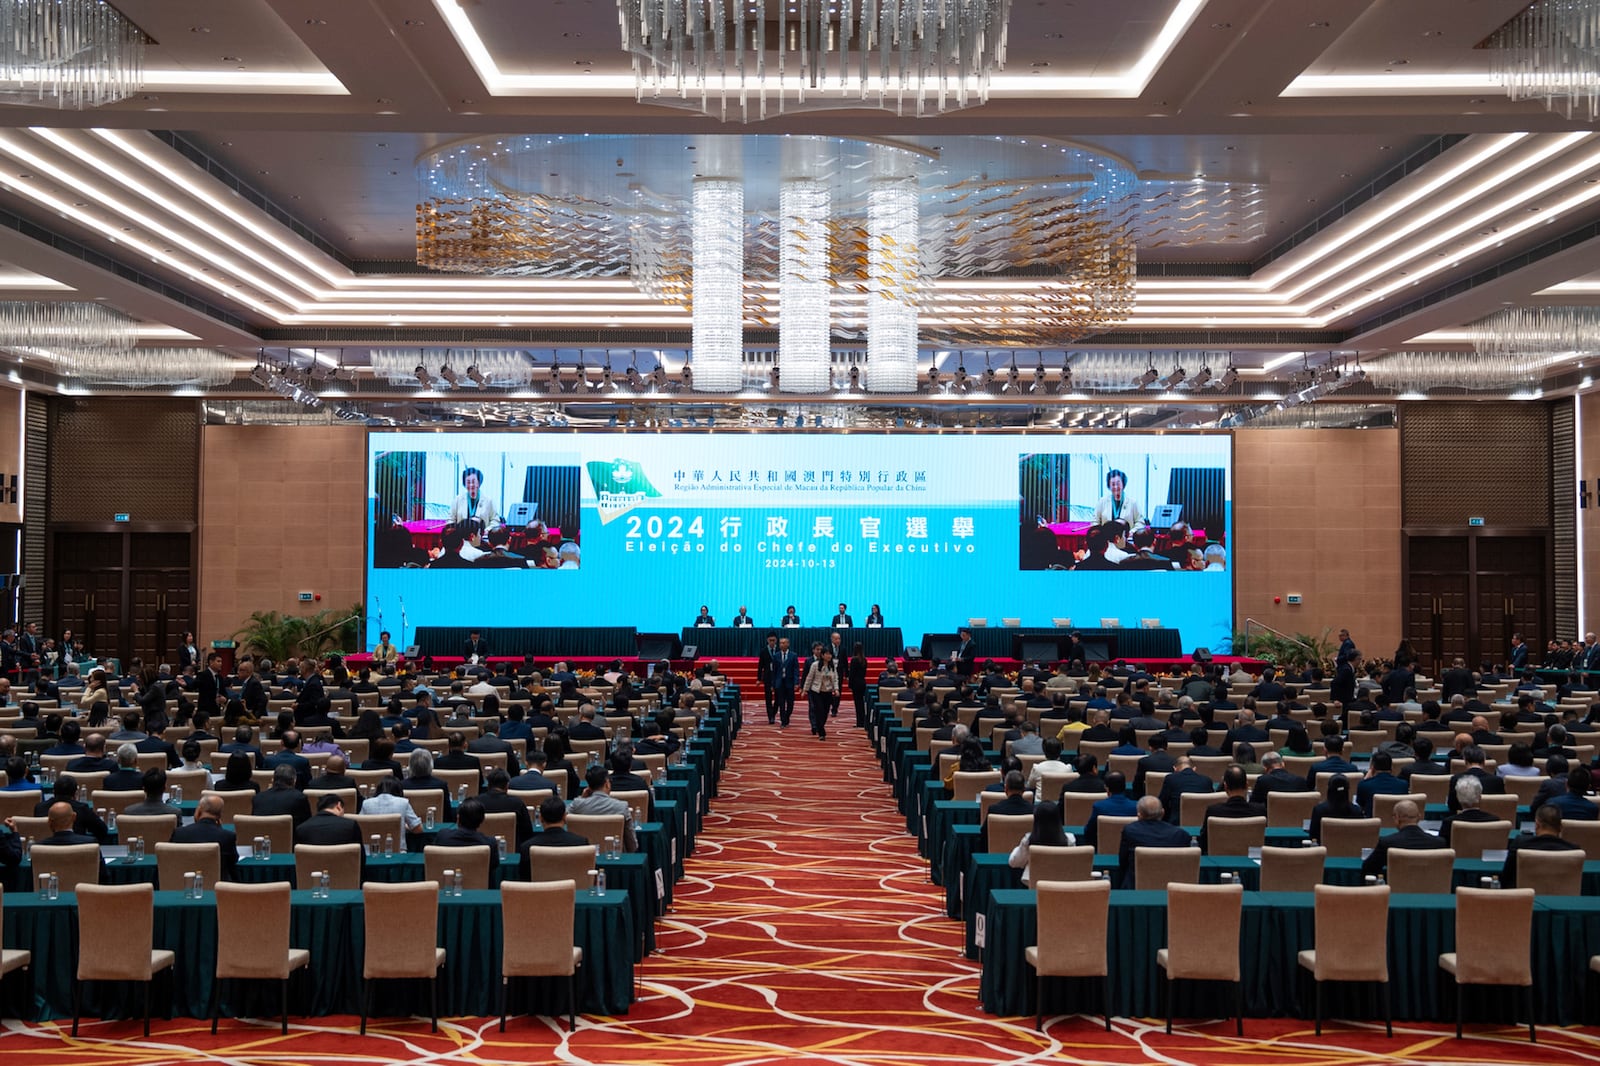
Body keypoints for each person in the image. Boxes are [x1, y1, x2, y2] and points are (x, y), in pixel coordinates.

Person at [1361, 799, 1449, 878]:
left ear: (1396, 818)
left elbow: (1368, 868)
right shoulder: (1439, 843)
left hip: (1395, 892)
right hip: (1430, 892)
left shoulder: (1387, 843)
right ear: (1419, 817)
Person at [1118, 795, 1190, 888]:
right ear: (1163, 812)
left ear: (1139, 815)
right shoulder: (1181, 835)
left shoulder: (1130, 831)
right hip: (1174, 886)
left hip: (1135, 887)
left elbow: (1123, 861)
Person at [1501, 803, 1580, 888]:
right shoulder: (1573, 850)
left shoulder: (1520, 844)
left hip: (1525, 898)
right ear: (1560, 827)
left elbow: (1506, 878)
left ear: (1537, 825)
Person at [568, 765, 638, 852]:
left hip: (582, 854)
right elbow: (632, 843)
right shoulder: (621, 807)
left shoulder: (577, 804)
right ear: (607, 784)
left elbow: (563, 818)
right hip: (614, 857)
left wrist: (582, 798)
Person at [171, 793, 240, 882]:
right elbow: (233, 861)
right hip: (217, 885)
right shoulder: (227, 836)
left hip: (184, 883)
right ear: (219, 816)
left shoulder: (179, 833)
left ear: (199, 810)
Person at [1196, 766, 1265, 853]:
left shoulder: (1214, 811)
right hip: (1252, 861)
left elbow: (1203, 843)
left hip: (1218, 861)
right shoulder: (1260, 810)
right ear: (1247, 785)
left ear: (1225, 786)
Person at [1008, 801, 1071, 886]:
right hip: (1062, 884)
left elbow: (1014, 862)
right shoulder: (1070, 840)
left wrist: (1017, 849)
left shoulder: (1028, 840)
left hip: (1034, 886)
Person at [478, 768, 535, 847]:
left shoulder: (476, 802)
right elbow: (527, 833)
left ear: (488, 785)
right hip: (513, 851)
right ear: (507, 785)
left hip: (481, 847)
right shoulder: (517, 803)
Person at [1309, 775, 1364, 843]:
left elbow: (1313, 836)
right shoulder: (1357, 811)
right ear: (1347, 791)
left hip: (1325, 852)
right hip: (1353, 852)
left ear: (1328, 789)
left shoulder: (1319, 810)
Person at [432, 797, 498, 850]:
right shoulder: (490, 843)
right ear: (482, 820)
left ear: (458, 818)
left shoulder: (442, 836)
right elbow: (493, 865)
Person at [803, 647, 840, 741]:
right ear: (822, 655)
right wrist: (805, 690)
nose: (829, 656)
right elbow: (809, 678)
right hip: (817, 691)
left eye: (830, 654)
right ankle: (821, 732)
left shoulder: (832, 666)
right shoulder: (815, 665)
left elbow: (835, 678)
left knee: (825, 712)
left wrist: (836, 689)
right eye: (827, 654)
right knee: (819, 711)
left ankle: (820, 726)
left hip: (828, 692)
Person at [772, 637, 798, 728]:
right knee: (781, 703)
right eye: (780, 643)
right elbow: (774, 671)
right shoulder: (776, 656)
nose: (782, 645)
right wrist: (773, 684)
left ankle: (787, 717)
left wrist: (796, 682)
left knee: (790, 703)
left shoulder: (793, 655)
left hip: (789, 682)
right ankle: (783, 721)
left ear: (788, 644)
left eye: (784, 643)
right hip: (779, 682)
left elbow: (796, 670)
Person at [847, 643, 869, 728]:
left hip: (856, 684)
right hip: (862, 682)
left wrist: (850, 685)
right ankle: (863, 721)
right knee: (861, 703)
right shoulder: (864, 660)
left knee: (858, 704)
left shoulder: (854, 660)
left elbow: (852, 674)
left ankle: (859, 722)